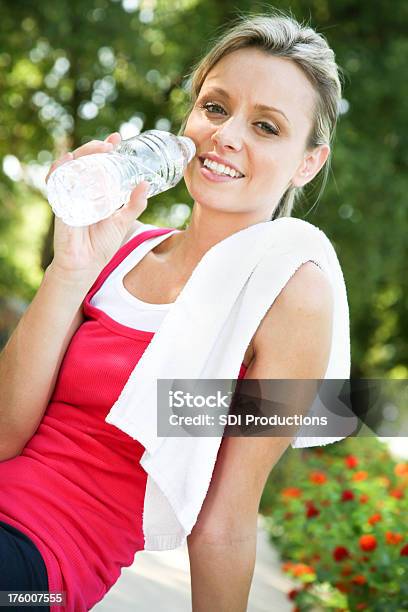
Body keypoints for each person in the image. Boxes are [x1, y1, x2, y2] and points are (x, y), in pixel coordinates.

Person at [0, 10, 347, 612]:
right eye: (216, 107)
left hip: (38, 570)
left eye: (266, 127)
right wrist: (71, 270)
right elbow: (5, 435)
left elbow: (225, 523)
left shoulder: (290, 296)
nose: (227, 136)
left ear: (307, 162)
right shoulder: (119, 244)